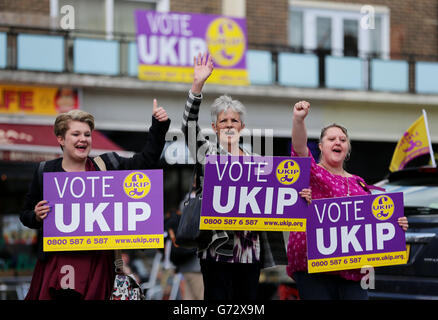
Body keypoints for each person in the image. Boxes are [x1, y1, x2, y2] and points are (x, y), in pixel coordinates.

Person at [181, 53, 312, 300]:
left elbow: (280, 197)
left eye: (234, 120)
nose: (229, 124)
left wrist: (300, 195)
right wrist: (197, 86)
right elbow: (187, 127)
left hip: (250, 252)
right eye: (223, 121)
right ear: (215, 127)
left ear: (242, 127)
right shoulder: (207, 154)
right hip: (216, 250)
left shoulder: (258, 162)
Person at [20, 100, 170, 300]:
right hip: (57, 265)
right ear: (61, 139)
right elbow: (25, 215)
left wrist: (158, 127)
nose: (83, 139)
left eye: (87, 135)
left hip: (98, 264)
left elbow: (146, 162)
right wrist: (36, 216)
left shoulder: (107, 165)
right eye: (76, 134)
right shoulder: (45, 171)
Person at [287, 100, 409, 300]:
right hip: (315, 268)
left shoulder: (359, 183)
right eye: (331, 139)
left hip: (353, 271)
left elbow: (373, 222)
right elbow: (299, 148)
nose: (337, 142)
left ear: (348, 148)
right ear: (320, 146)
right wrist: (298, 120)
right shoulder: (312, 172)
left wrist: (396, 224)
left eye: (342, 140)